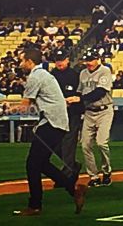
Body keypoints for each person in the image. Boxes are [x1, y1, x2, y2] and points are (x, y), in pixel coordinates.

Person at [14, 44, 87, 217]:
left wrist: (6, 108)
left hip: (51, 123)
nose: (20, 64)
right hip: (58, 123)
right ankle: (73, 189)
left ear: (30, 62)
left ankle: (35, 205)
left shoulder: (36, 76)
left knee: (32, 164)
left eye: (22, 61)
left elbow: (25, 105)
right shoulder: (44, 74)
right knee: (41, 163)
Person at [79, 49, 114, 187]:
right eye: (87, 60)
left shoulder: (105, 71)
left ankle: (106, 171)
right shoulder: (83, 73)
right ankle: (93, 176)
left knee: (101, 143)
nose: (89, 63)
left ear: (97, 59)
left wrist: (80, 99)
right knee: (85, 144)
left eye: (91, 60)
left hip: (104, 110)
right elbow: (79, 90)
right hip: (89, 112)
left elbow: (100, 92)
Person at [49, 49, 83, 179]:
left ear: (67, 59)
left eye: (62, 60)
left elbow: (80, 94)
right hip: (55, 114)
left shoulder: (75, 75)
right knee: (54, 143)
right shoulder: (51, 76)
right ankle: (72, 165)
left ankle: (67, 173)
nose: (59, 63)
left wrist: (73, 100)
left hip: (71, 113)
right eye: (57, 60)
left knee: (69, 142)